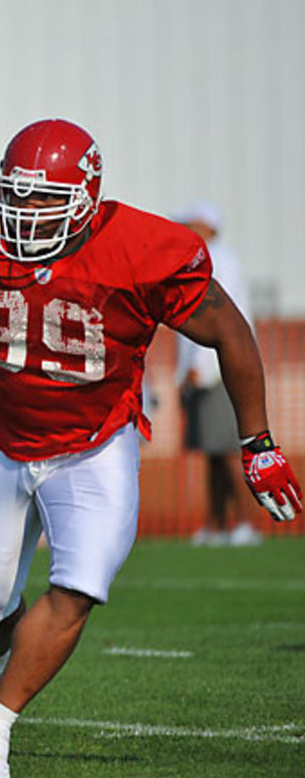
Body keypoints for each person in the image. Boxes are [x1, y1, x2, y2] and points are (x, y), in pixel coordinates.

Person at [0, 118, 301, 778]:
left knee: (81, 583)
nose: (25, 212)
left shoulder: (142, 247)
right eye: (17, 194)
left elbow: (231, 331)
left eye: (47, 199)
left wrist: (258, 443)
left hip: (94, 442)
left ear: (87, 198)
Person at [173, 201, 263, 546]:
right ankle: (216, 523)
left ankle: (244, 523)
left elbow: (219, 318)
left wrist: (198, 367)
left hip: (217, 371)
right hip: (204, 372)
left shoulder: (218, 258)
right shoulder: (204, 256)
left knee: (227, 450)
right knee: (211, 452)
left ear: (208, 226)